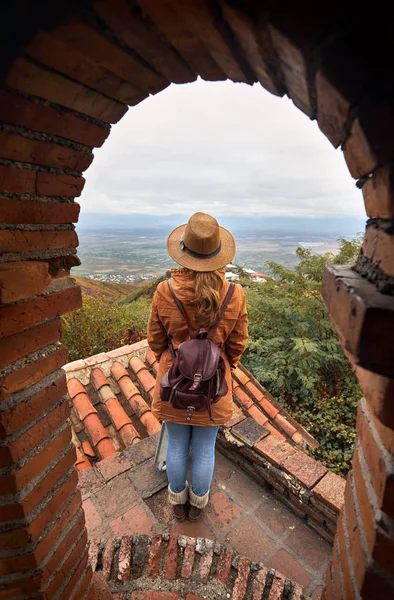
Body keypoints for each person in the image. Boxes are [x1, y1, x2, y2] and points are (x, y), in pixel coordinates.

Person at [147, 212, 248, 522]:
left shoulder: (166, 291)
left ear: (184, 251)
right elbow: (237, 345)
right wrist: (218, 366)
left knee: (176, 443)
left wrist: (175, 359)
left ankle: (178, 501)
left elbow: (154, 340)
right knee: (205, 448)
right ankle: (198, 506)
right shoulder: (235, 294)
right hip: (214, 389)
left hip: (174, 384)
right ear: (219, 254)